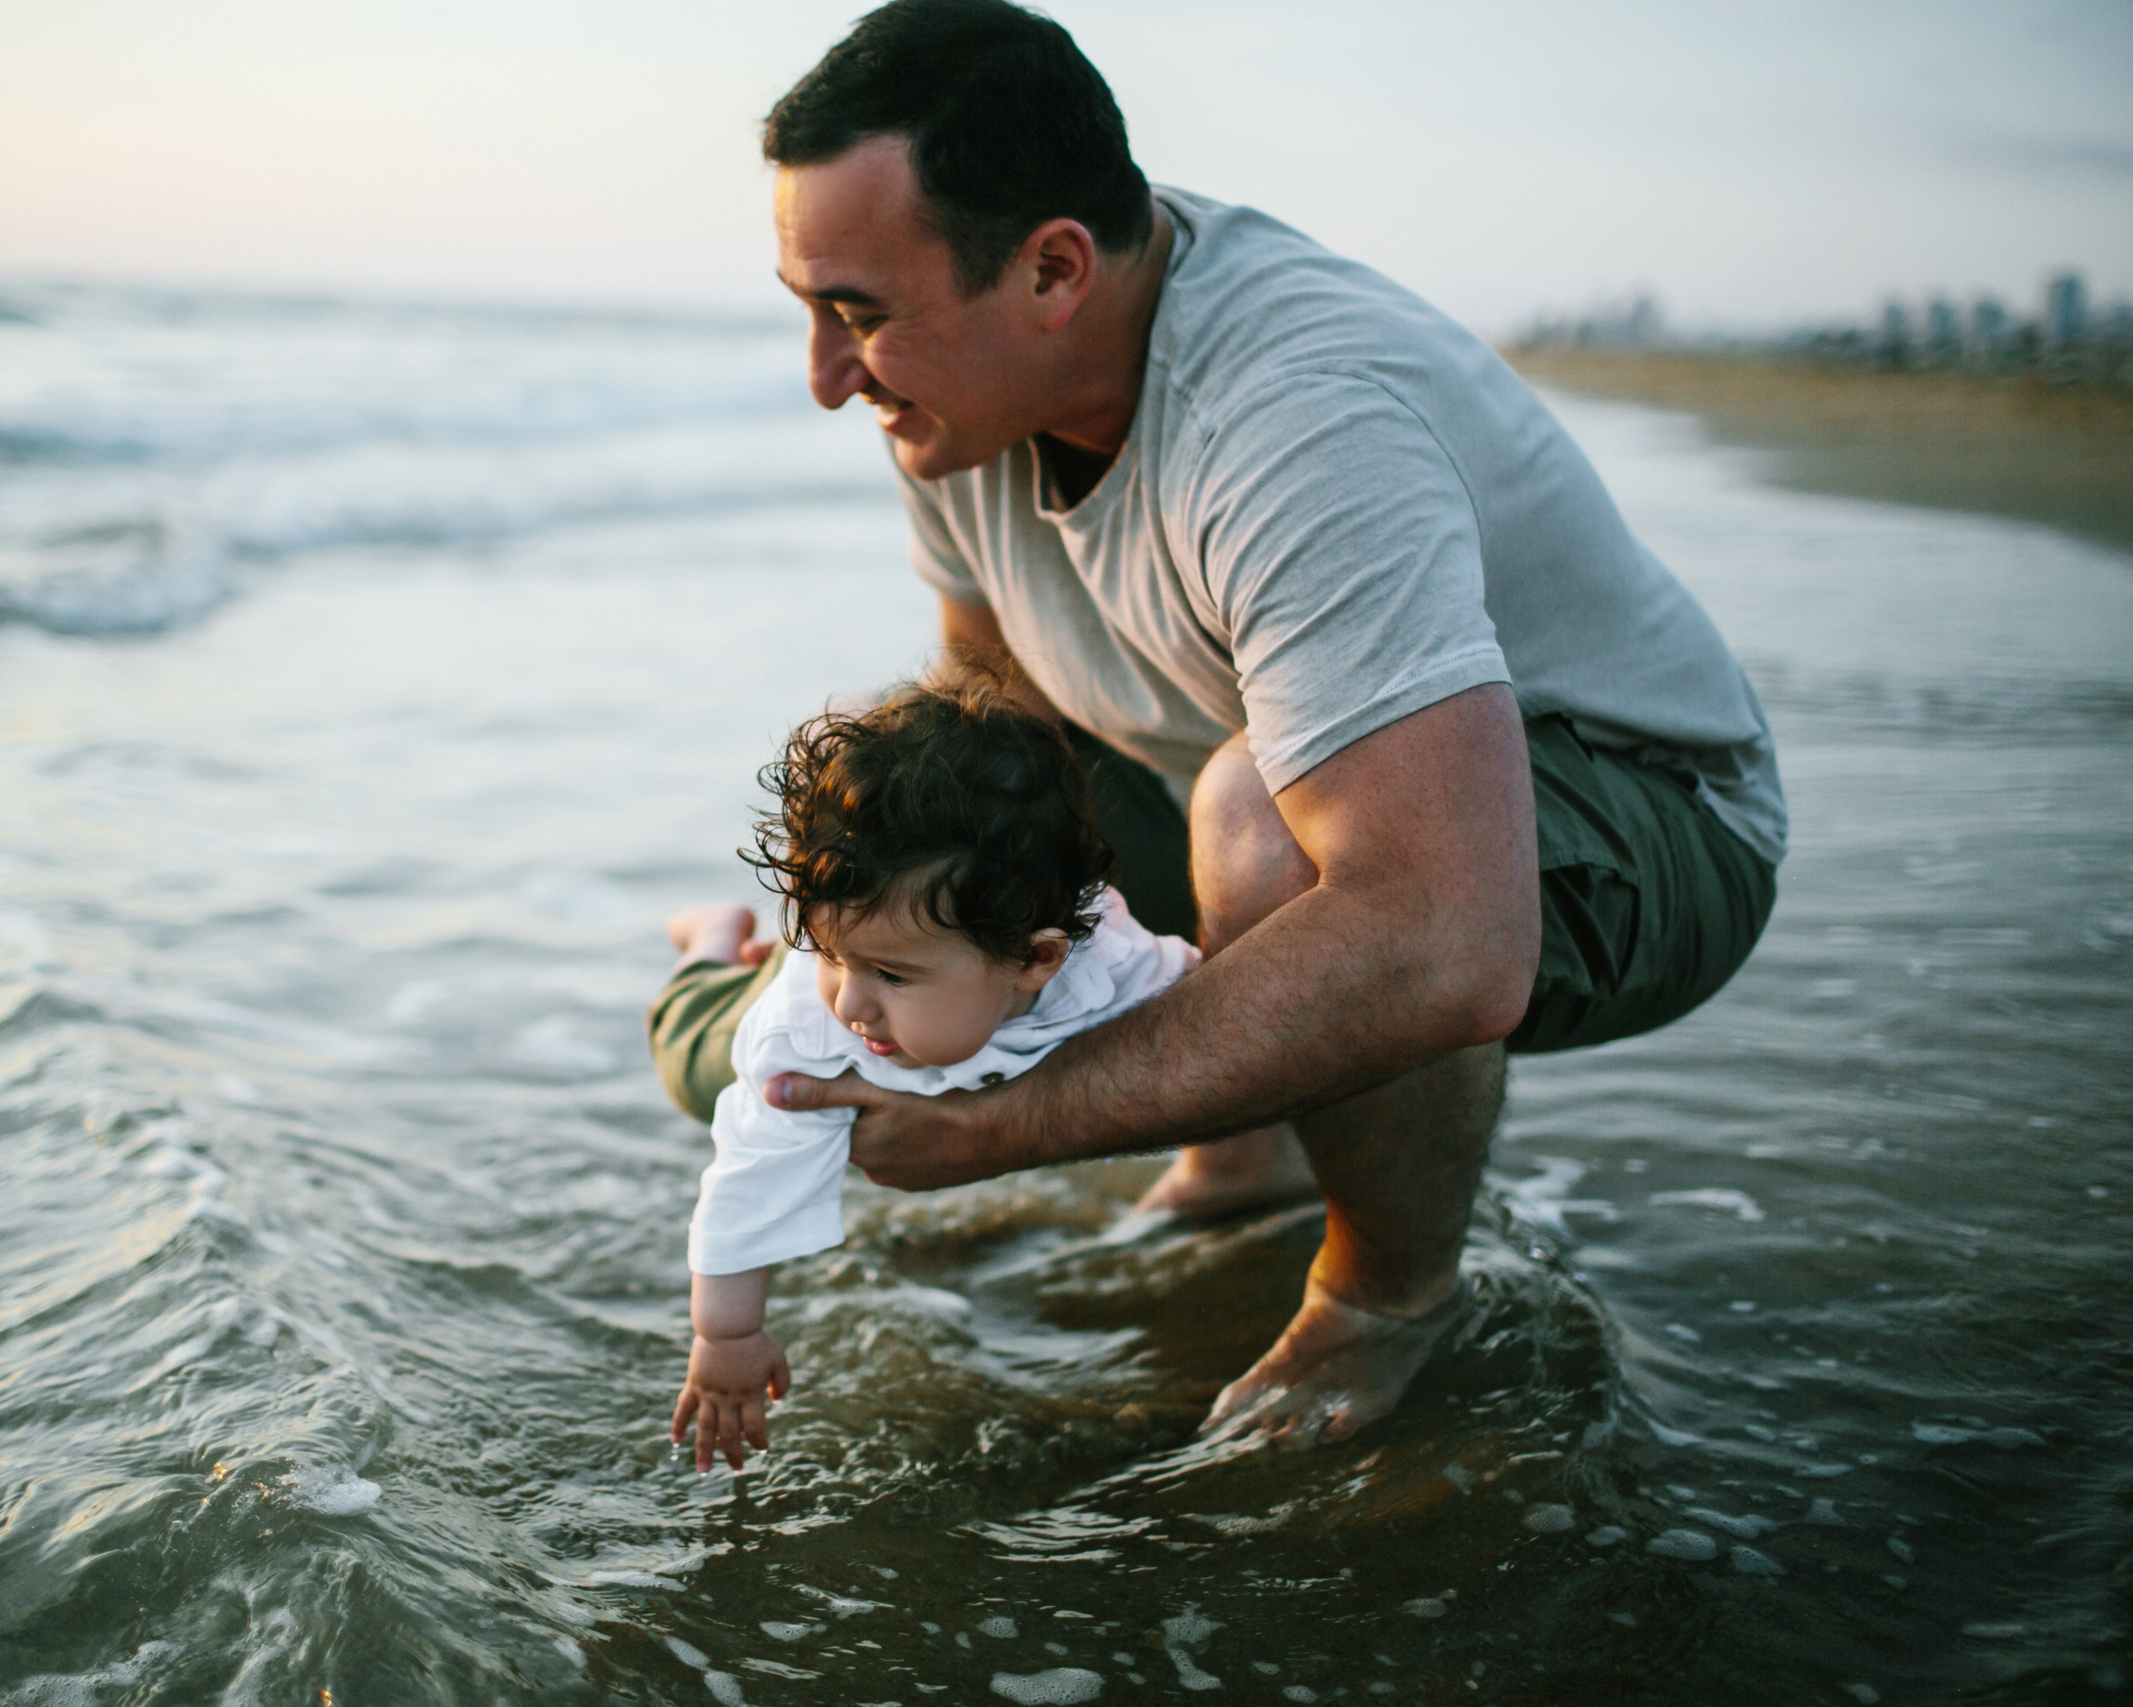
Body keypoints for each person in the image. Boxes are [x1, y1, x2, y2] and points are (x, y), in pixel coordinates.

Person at [680, 0, 1786, 1450]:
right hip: (1296, 779)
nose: (829, 376)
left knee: (1268, 821)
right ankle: (1238, 1156)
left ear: (1055, 268)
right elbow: (997, 746)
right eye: (811, 306)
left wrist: (1010, 1123)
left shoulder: (1294, 420)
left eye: (861, 314)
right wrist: (841, 938)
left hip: (1647, 821)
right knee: (1017, 820)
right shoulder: (956, 405)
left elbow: (1443, 931)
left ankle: (1387, 1291)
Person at [659, 680, 1199, 1470]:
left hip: (871, 922)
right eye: (834, 962)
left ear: (1034, 959)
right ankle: (712, 936)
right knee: (688, 1062)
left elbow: (1209, 1010)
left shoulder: (1112, 968)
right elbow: (748, 1180)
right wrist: (727, 1335)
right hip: (772, 992)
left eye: (892, 978)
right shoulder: (809, 1028)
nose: (853, 1003)